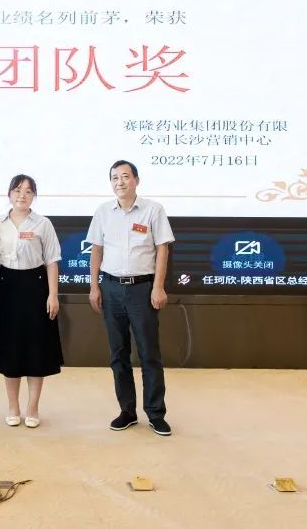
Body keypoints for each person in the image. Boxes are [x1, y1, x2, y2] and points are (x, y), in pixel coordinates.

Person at [87, 160, 175, 436]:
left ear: (137, 180)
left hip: (142, 289)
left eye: (125, 176)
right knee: (118, 354)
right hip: (111, 288)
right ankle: (127, 411)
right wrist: (94, 287)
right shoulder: (103, 212)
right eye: (115, 177)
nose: (120, 182)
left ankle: (156, 413)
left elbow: (162, 250)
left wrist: (158, 287)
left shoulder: (153, 210)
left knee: (149, 354)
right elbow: (96, 251)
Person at [0, 174, 63, 428]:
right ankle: (13, 406)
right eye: (17, 190)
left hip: (36, 287)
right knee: (10, 348)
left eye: (28, 192)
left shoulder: (43, 224)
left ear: (34, 196)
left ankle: (32, 407)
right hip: (6, 287)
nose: (22, 196)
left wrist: (53, 294)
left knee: (36, 348)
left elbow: (52, 260)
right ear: (9, 194)